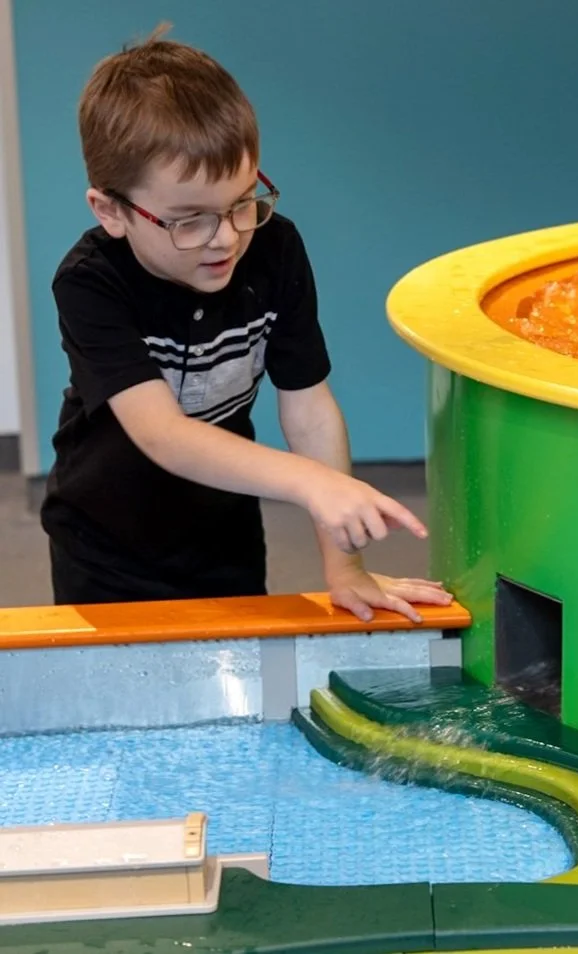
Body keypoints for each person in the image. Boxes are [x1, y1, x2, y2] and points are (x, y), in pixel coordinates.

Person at [40, 25, 452, 623]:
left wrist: (346, 568)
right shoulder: (88, 282)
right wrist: (311, 484)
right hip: (101, 544)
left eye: (241, 201)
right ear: (112, 211)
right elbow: (164, 435)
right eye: (189, 220)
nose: (227, 237)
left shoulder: (274, 248)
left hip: (223, 527)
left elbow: (309, 408)